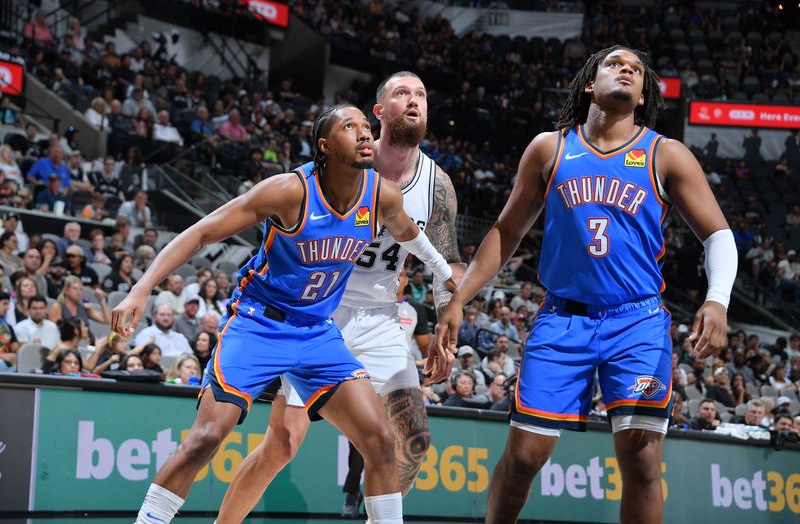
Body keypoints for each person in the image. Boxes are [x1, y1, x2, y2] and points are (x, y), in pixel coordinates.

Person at [112, 103, 457, 524]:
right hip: (260, 324)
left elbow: (410, 234)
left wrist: (444, 274)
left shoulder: (382, 194)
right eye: (351, 127)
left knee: (383, 440)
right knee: (207, 436)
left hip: (317, 332)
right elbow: (202, 232)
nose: (365, 134)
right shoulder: (289, 191)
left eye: (367, 126)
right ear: (325, 145)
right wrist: (141, 288)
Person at [435, 46, 736, 524]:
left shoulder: (665, 153)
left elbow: (718, 234)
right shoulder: (549, 148)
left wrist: (717, 300)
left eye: (636, 70)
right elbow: (507, 231)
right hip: (563, 318)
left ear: (641, 97)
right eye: (615, 64)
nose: (627, 70)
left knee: (642, 461)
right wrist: (460, 296)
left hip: (636, 320)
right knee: (524, 457)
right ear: (590, 85)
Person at [216, 72, 462, 523]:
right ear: (378, 112)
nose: (414, 101)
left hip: (382, 314)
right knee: (283, 444)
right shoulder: (341, 163)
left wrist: (448, 319)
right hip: (319, 312)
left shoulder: (437, 185)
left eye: (422, 94)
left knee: (411, 441)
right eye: (402, 93)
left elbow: (447, 261)